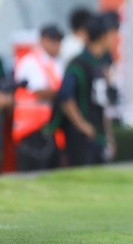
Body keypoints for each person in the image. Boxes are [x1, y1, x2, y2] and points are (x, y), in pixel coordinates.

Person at [49, 14, 117, 166]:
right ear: (103, 36)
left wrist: (109, 136)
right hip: (81, 138)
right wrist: (82, 125)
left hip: (99, 134)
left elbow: (105, 103)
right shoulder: (78, 64)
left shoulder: (102, 64)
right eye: (112, 35)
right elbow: (65, 97)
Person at [12, 24, 64, 170]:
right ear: (42, 40)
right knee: (33, 170)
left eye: (58, 41)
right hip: (30, 128)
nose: (56, 45)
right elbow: (40, 92)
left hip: (50, 126)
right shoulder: (30, 61)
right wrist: (64, 94)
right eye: (52, 40)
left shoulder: (55, 63)